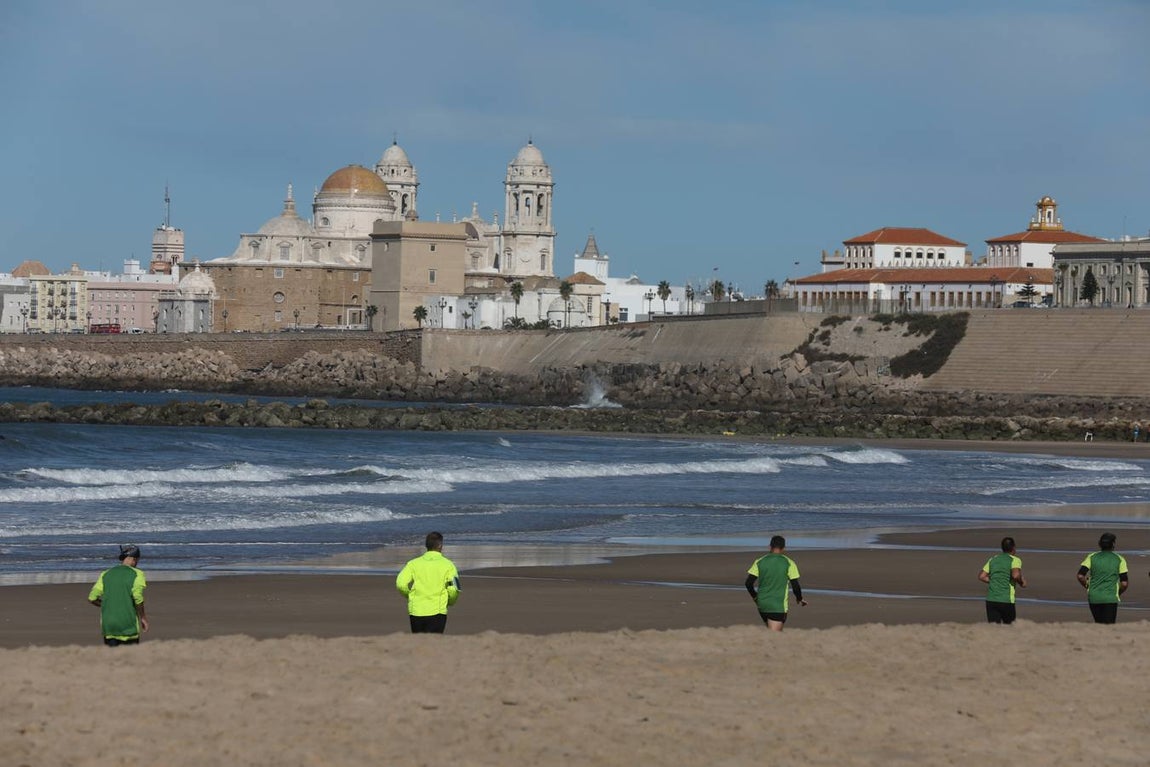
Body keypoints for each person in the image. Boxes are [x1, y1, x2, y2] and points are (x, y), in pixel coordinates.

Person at [396, 531, 460, 634]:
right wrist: (450, 602)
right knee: (434, 644)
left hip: (416, 611)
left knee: (418, 644)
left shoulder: (413, 563)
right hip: (437, 612)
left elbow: (400, 583)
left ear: (426, 545)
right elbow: (454, 588)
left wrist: (410, 595)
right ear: (440, 546)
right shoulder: (449, 565)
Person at [88, 545, 148, 646]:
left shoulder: (106, 574)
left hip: (109, 625)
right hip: (128, 623)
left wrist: (106, 605)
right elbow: (137, 597)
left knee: (112, 657)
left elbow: (92, 598)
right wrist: (143, 617)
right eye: (137, 560)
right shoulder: (138, 574)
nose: (137, 563)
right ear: (134, 559)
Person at [745, 535, 807, 632]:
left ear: (770, 546)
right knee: (774, 638)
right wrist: (799, 598)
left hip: (762, 604)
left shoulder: (759, 561)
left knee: (776, 634)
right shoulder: (789, 563)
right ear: (784, 548)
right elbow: (795, 586)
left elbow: (748, 583)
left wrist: (755, 597)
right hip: (777, 606)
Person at [1077, 532, 1128, 624]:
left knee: (1099, 624)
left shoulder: (1092, 557)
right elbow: (1124, 583)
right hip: (1110, 598)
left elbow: (1080, 576)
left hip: (1094, 597)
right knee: (1109, 626)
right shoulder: (1119, 559)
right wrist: (1118, 592)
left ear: (1100, 544)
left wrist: (1087, 586)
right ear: (1113, 544)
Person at [978, 536, 1027, 624]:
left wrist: (994, 581)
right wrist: (1021, 582)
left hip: (991, 600)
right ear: (1013, 548)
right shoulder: (1015, 560)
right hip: (1006, 600)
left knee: (994, 630)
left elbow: (982, 576)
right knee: (1009, 629)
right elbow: (1015, 575)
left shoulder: (993, 559)